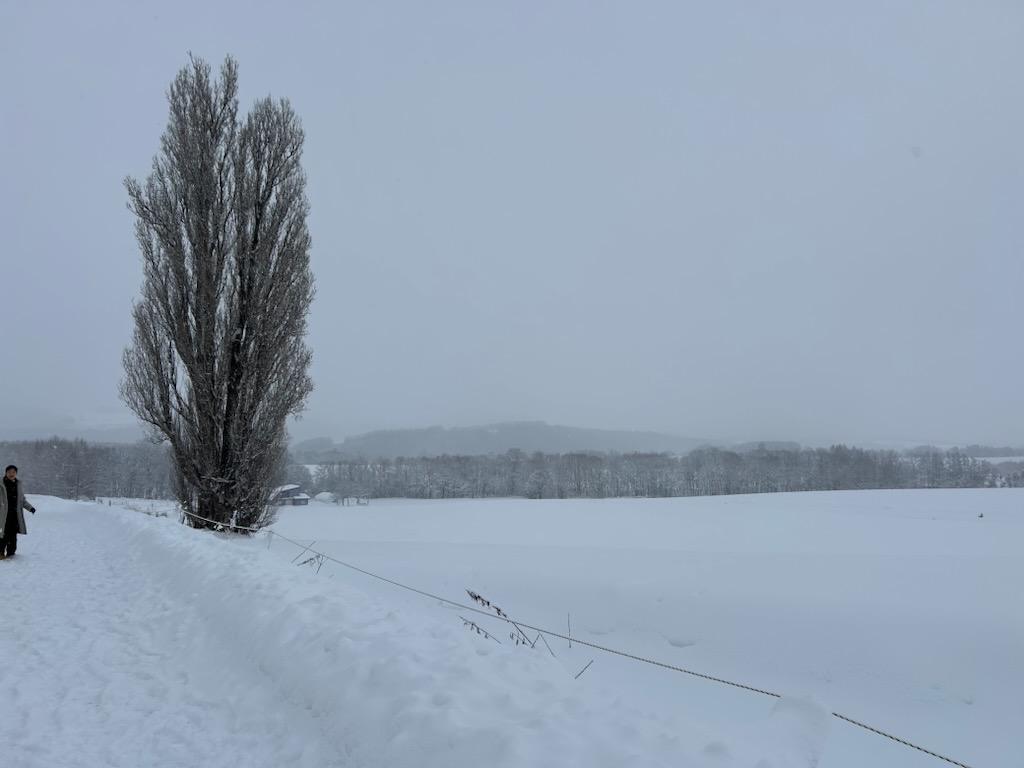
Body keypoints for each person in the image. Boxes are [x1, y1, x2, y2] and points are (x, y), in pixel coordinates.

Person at [0, 464, 36, 559]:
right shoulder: (1, 484)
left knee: (12, 534)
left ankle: (11, 553)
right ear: (6, 473)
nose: (11, 474)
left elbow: (22, 500)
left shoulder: (17, 485)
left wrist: (30, 508)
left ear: (16, 474)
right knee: (2, 533)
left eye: (13, 472)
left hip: (14, 515)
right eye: (9, 472)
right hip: (2, 515)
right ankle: (0, 552)